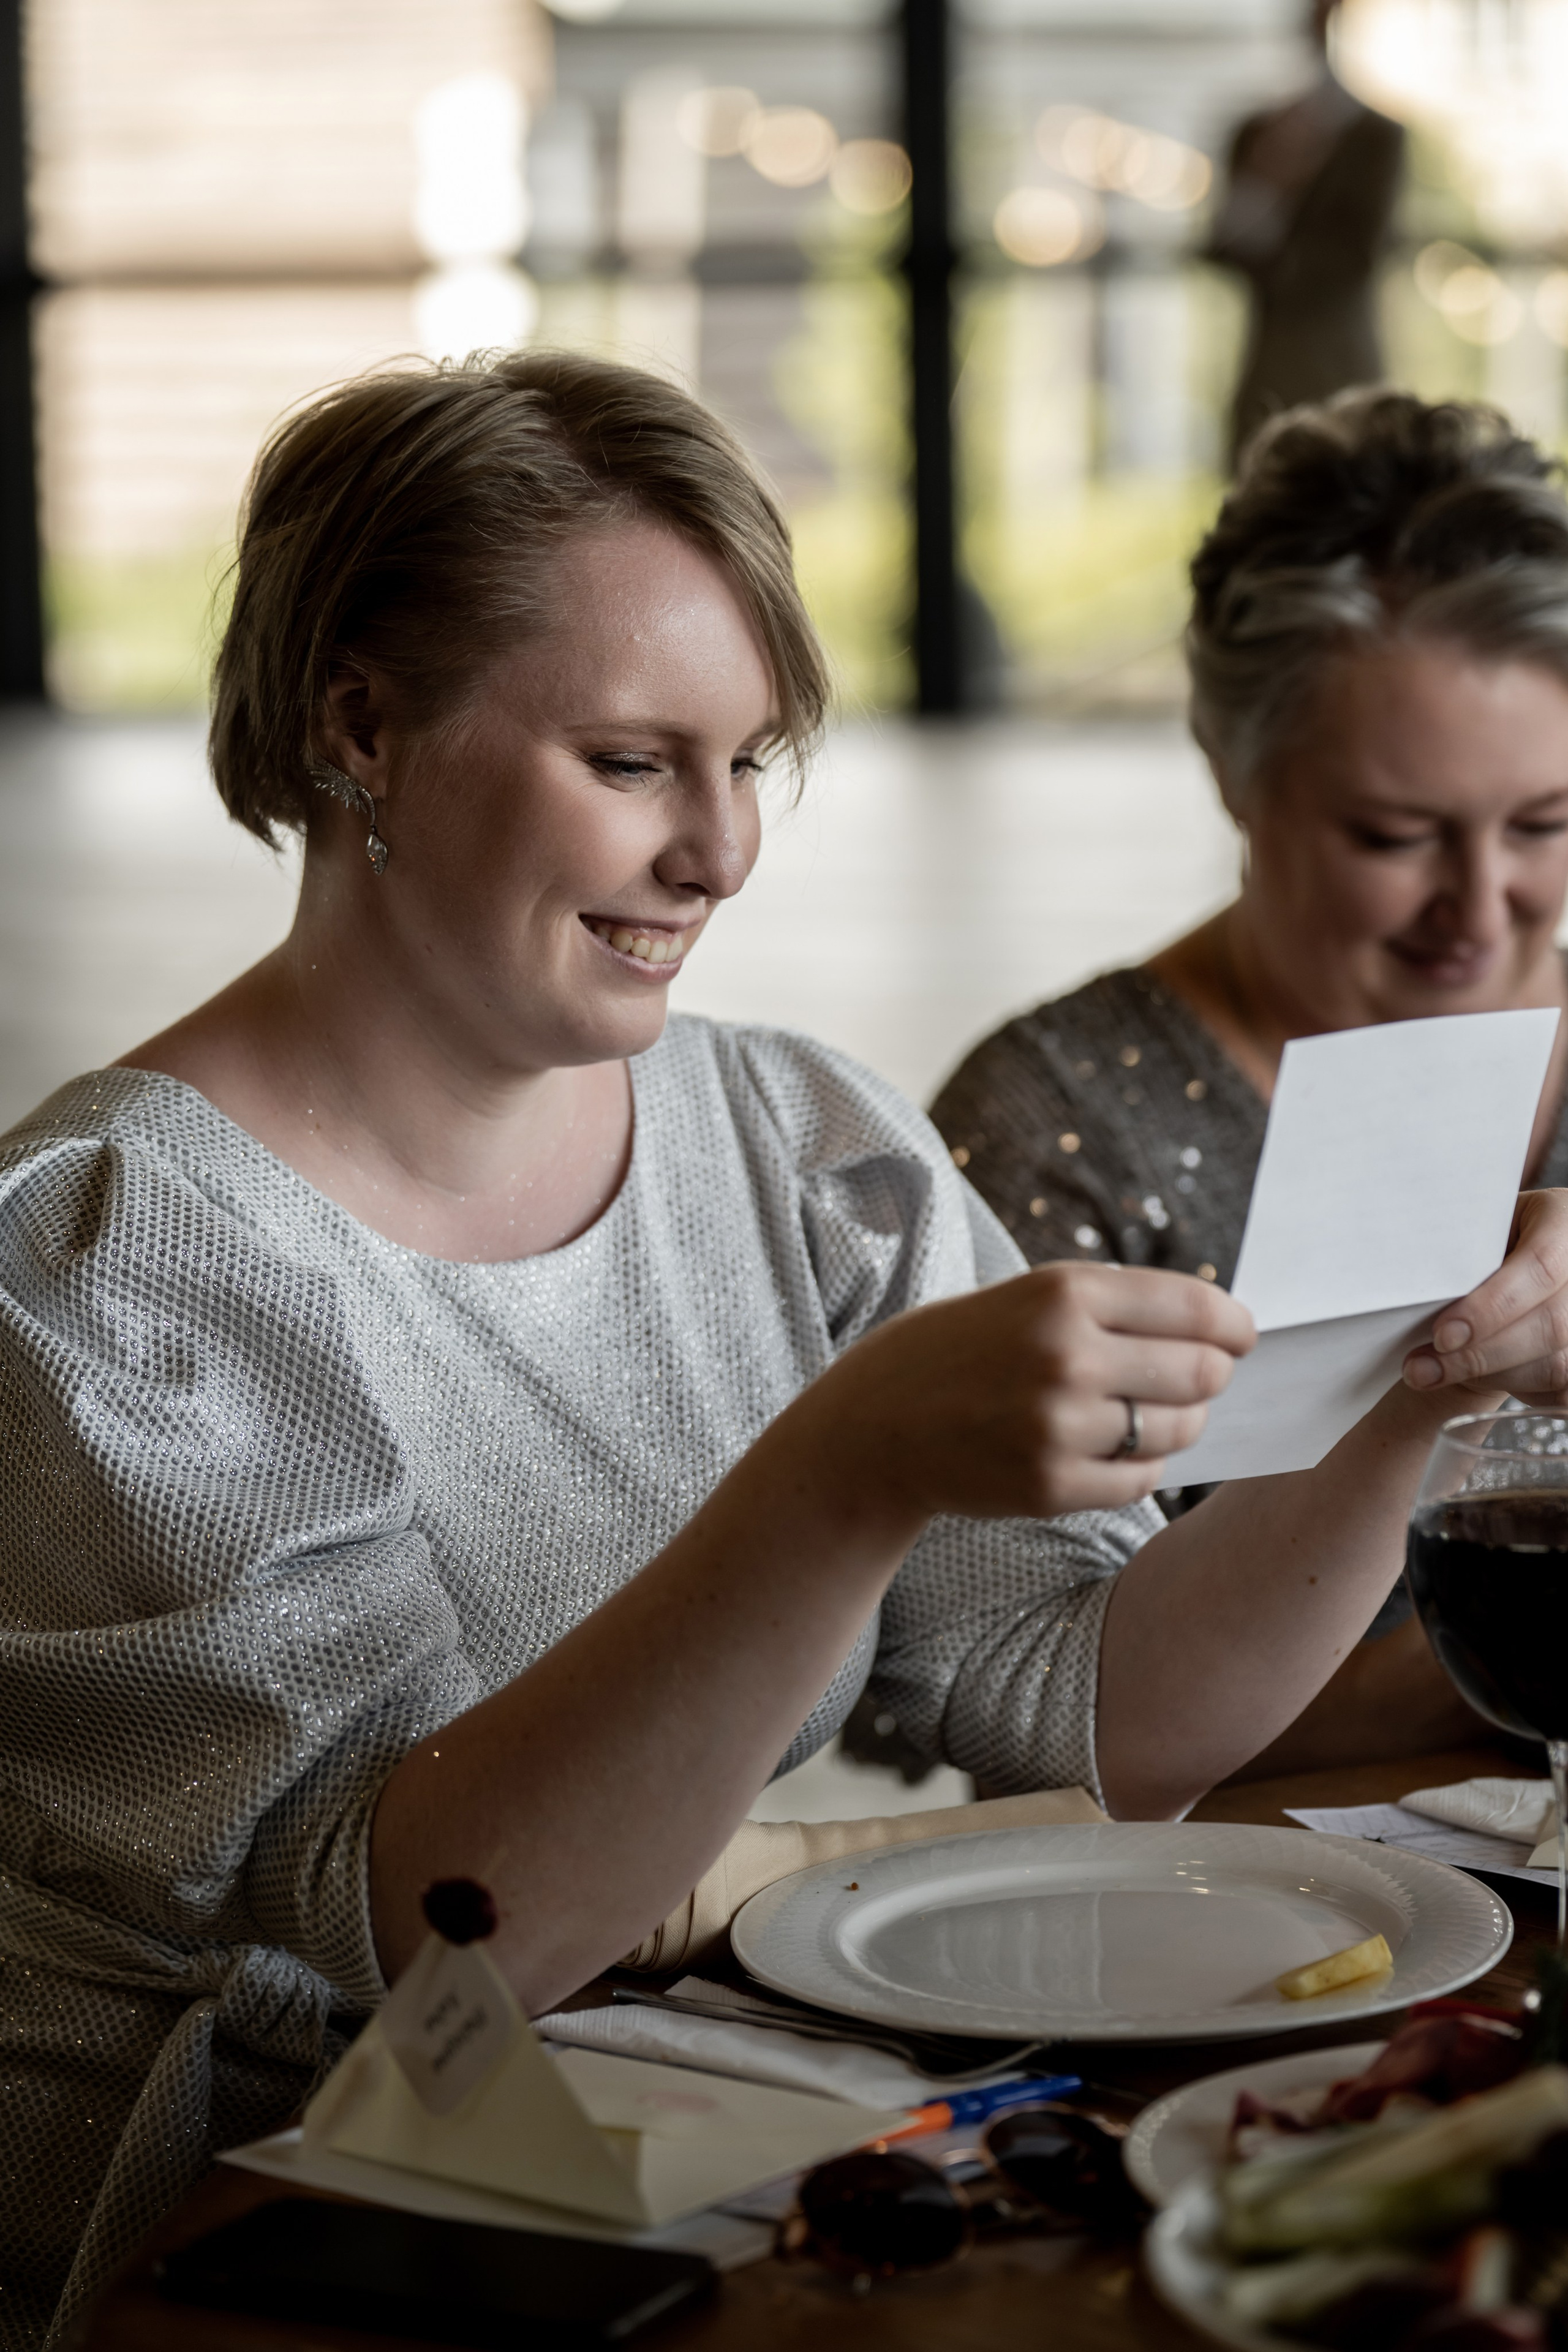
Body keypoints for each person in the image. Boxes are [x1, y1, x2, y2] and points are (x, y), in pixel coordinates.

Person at [3, 355, 1567, 2350]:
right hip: (280, 2254)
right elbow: (430, 1947)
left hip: (697, 2154)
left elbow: (1114, 1707)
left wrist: (1407, 1387)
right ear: (359, 723)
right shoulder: (110, 1265)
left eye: (753, 762)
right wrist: (845, 1470)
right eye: (636, 762)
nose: (722, 854)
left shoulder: (801, 1146)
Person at [932, 384, 1568, 1752]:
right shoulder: (1056, 1127)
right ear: (1228, 768)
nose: (1481, 904)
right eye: (1394, 836)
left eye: (1544, 821)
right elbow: (1015, 1712)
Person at [1207, 0, 1404, 467]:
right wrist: (1269, 178)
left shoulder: (1377, 136)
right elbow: (1221, 244)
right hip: (1269, 368)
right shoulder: (1258, 131)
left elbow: (1360, 253)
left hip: (1341, 365)